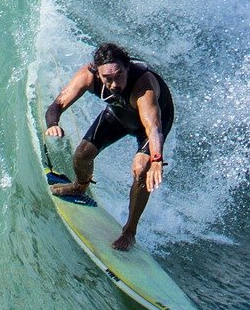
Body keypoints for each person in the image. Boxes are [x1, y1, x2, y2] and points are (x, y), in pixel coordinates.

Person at [44, 42, 174, 251]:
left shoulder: (143, 87)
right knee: (82, 154)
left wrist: (156, 159)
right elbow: (57, 105)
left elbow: (154, 129)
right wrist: (53, 124)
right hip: (119, 114)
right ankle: (80, 186)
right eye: (107, 79)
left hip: (152, 126)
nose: (113, 84)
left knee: (141, 169)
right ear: (98, 72)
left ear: (127, 68)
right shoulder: (88, 76)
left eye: (119, 75)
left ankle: (129, 232)